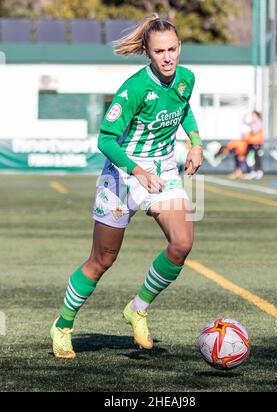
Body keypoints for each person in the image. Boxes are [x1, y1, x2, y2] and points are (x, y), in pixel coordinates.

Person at [50, 14, 203, 359]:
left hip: (162, 168)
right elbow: (105, 139)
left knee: (182, 243)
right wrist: (136, 171)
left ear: (180, 48)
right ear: (148, 53)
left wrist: (195, 142)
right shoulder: (134, 88)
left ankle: (138, 307)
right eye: (159, 51)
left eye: (172, 49)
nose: (167, 57)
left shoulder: (186, 79)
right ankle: (62, 324)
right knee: (102, 259)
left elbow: (183, 108)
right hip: (121, 173)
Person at [244, 111, 264, 180]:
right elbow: (245, 123)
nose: (252, 117)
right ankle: (252, 171)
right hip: (250, 142)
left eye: (254, 115)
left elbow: (255, 130)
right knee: (248, 157)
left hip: (257, 142)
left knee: (257, 158)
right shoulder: (252, 123)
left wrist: (252, 123)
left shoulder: (258, 122)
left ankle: (258, 171)